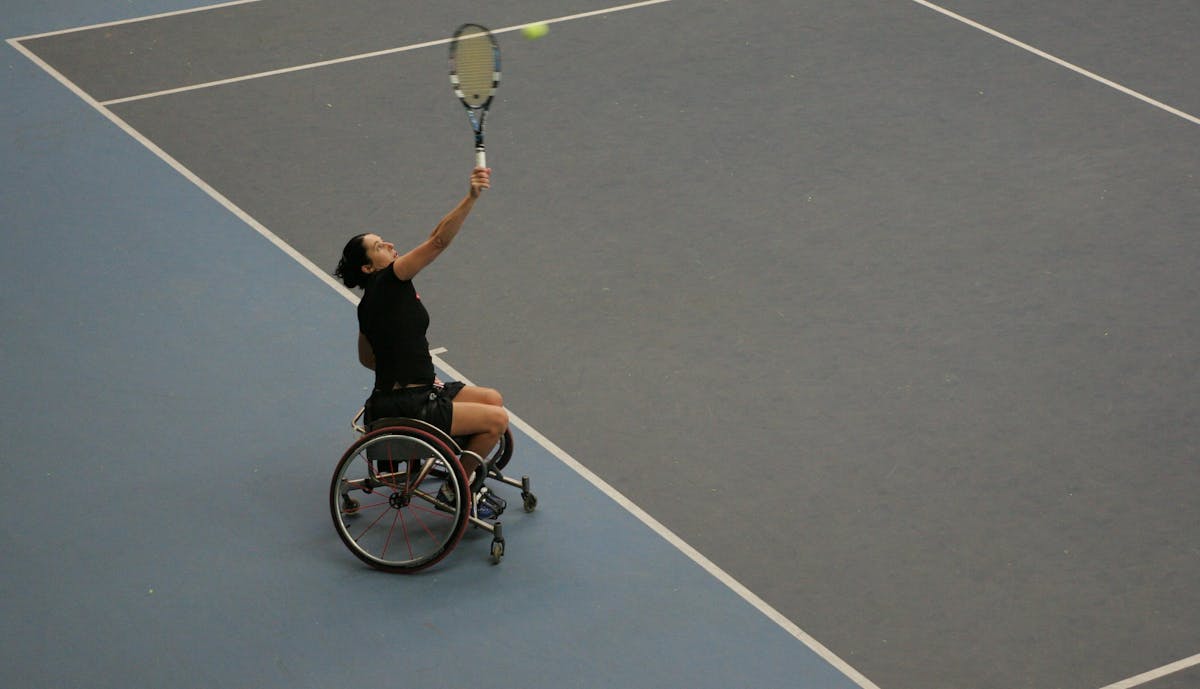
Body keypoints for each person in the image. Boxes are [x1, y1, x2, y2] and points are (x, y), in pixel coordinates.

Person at [333, 166, 508, 492]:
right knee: (497, 421)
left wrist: (404, 365)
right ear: (369, 267)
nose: (389, 243)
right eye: (378, 246)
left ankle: (459, 455)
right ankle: (458, 485)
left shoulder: (368, 304)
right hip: (412, 404)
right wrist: (471, 197)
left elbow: (367, 358)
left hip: (410, 393)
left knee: (492, 399)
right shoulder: (390, 281)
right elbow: (438, 241)